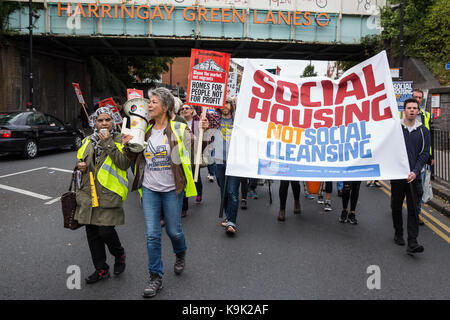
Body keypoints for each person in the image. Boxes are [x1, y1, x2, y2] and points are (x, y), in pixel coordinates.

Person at [125, 87, 201, 298]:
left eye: (154, 102)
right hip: (149, 189)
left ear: (165, 107)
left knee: (174, 231)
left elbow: (196, 150)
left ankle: (180, 252)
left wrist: (200, 132)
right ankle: (155, 276)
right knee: (152, 234)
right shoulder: (143, 129)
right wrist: (127, 146)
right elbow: (132, 159)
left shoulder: (178, 128)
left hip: (172, 189)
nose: (149, 105)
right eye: (150, 102)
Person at [75, 107, 132, 284]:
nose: (104, 123)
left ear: (113, 121)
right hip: (88, 194)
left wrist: (107, 142)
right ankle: (101, 269)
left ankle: (119, 254)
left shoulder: (122, 139)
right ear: (94, 123)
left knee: (106, 231)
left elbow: (123, 164)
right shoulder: (87, 140)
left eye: (108, 119)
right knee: (92, 234)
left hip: (109, 194)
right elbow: (80, 160)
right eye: (100, 120)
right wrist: (80, 165)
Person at [390, 98, 430, 254]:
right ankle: (398, 232)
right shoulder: (396, 129)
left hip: (414, 176)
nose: (412, 110)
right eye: (409, 108)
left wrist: (415, 171)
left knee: (413, 209)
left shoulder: (423, 131)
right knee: (396, 206)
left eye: (415, 108)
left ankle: (412, 242)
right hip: (398, 175)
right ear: (404, 111)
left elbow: (425, 153)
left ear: (418, 111)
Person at [204, 98, 240, 235]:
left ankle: (232, 222)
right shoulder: (215, 120)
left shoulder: (238, 121)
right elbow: (206, 126)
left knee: (232, 191)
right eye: (223, 103)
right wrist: (203, 125)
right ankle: (228, 214)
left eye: (228, 103)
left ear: (232, 106)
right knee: (223, 191)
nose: (225, 106)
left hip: (235, 161)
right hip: (218, 160)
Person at [412, 89, 434, 225]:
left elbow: (430, 137)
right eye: (415, 97)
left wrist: (430, 155)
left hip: (422, 156)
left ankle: (417, 214)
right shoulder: (401, 114)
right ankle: (396, 202)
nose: (418, 99)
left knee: (419, 190)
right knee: (406, 188)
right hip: (408, 157)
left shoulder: (426, 115)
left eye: (419, 98)